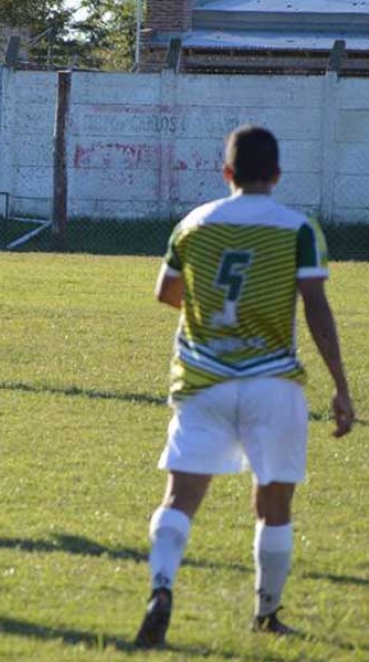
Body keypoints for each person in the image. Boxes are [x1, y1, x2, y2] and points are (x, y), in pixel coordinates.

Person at [134, 125, 355, 648]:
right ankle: (266, 613)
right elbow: (315, 306)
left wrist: (212, 313)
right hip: (272, 385)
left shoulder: (194, 224)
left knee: (179, 498)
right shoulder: (298, 228)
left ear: (227, 173)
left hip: (204, 380)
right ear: (277, 175)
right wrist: (342, 386)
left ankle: (162, 586)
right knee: (274, 504)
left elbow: (165, 291)